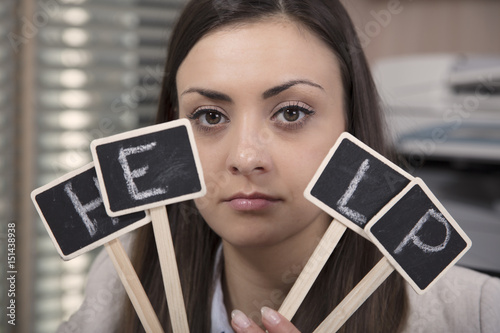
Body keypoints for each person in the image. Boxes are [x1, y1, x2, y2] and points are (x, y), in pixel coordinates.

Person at [57, 0, 500, 332]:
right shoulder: (120, 279)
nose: (246, 158)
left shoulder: (478, 312)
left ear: (352, 124)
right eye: (209, 116)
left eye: (291, 112)